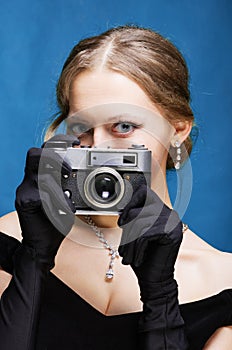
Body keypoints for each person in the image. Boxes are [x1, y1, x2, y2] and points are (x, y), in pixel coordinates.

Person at [0, 25, 231, 350]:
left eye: (124, 126)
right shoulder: (10, 237)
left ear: (178, 130)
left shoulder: (223, 282)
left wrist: (161, 294)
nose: (100, 149)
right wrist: (32, 260)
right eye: (82, 129)